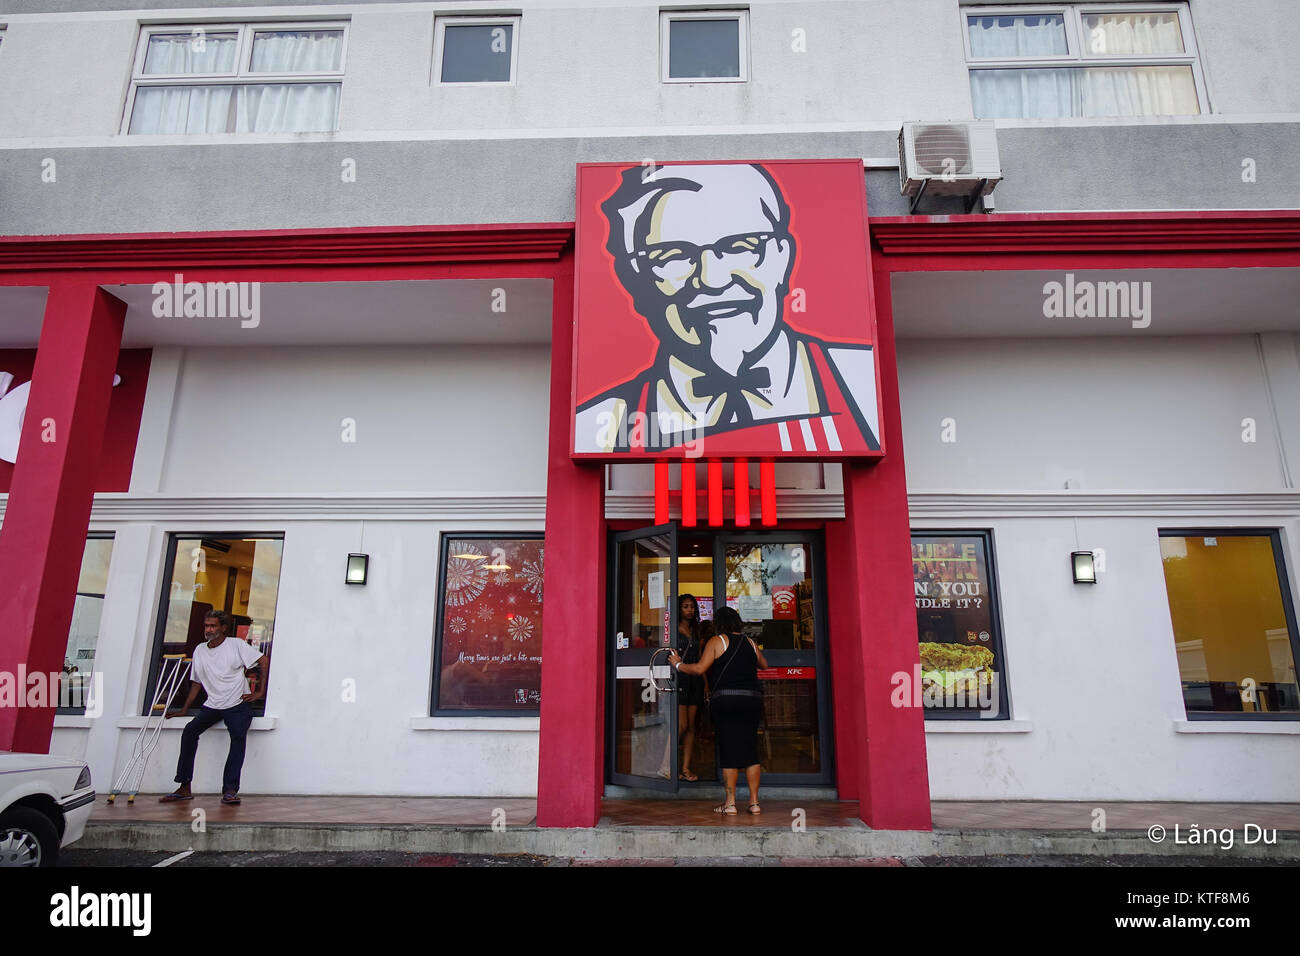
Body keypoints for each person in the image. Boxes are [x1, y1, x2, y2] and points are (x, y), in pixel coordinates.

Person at [575, 162, 881, 456]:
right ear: (635, 281)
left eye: (740, 247)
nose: (712, 279)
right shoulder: (601, 424)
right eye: (672, 255)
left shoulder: (860, 384)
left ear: (782, 259)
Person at [160, 610, 268, 806]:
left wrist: (260, 692)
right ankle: (184, 786)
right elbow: (197, 682)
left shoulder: (235, 645)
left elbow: (263, 660)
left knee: (237, 739)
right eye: (207, 626)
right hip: (213, 704)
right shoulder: (200, 650)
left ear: (223, 628)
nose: (209, 630)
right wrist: (185, 709)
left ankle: (230, 790)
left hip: (237, 703)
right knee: (190, 731)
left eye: (213, 626)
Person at [669, 605, 767, 814]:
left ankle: (730, 804)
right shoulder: (750, 642)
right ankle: (754, 803)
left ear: (719, 623)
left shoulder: (717, 641)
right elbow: (764, 665)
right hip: (751, 700)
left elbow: (698, 668)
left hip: (727, 701)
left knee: (729, 750)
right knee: (750, 751)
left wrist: (678, 664)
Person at [675, 594, 706, 782]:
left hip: (695, 678)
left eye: (692, 606)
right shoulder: (673, 630)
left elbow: (701, 658)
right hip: (679, 678)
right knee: (682, 725)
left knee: (691, 727)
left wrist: (706, 685)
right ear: (679, 608)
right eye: (685, 606)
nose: (689, 610)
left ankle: (686, 769)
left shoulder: (696, 629)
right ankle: (666, 765)